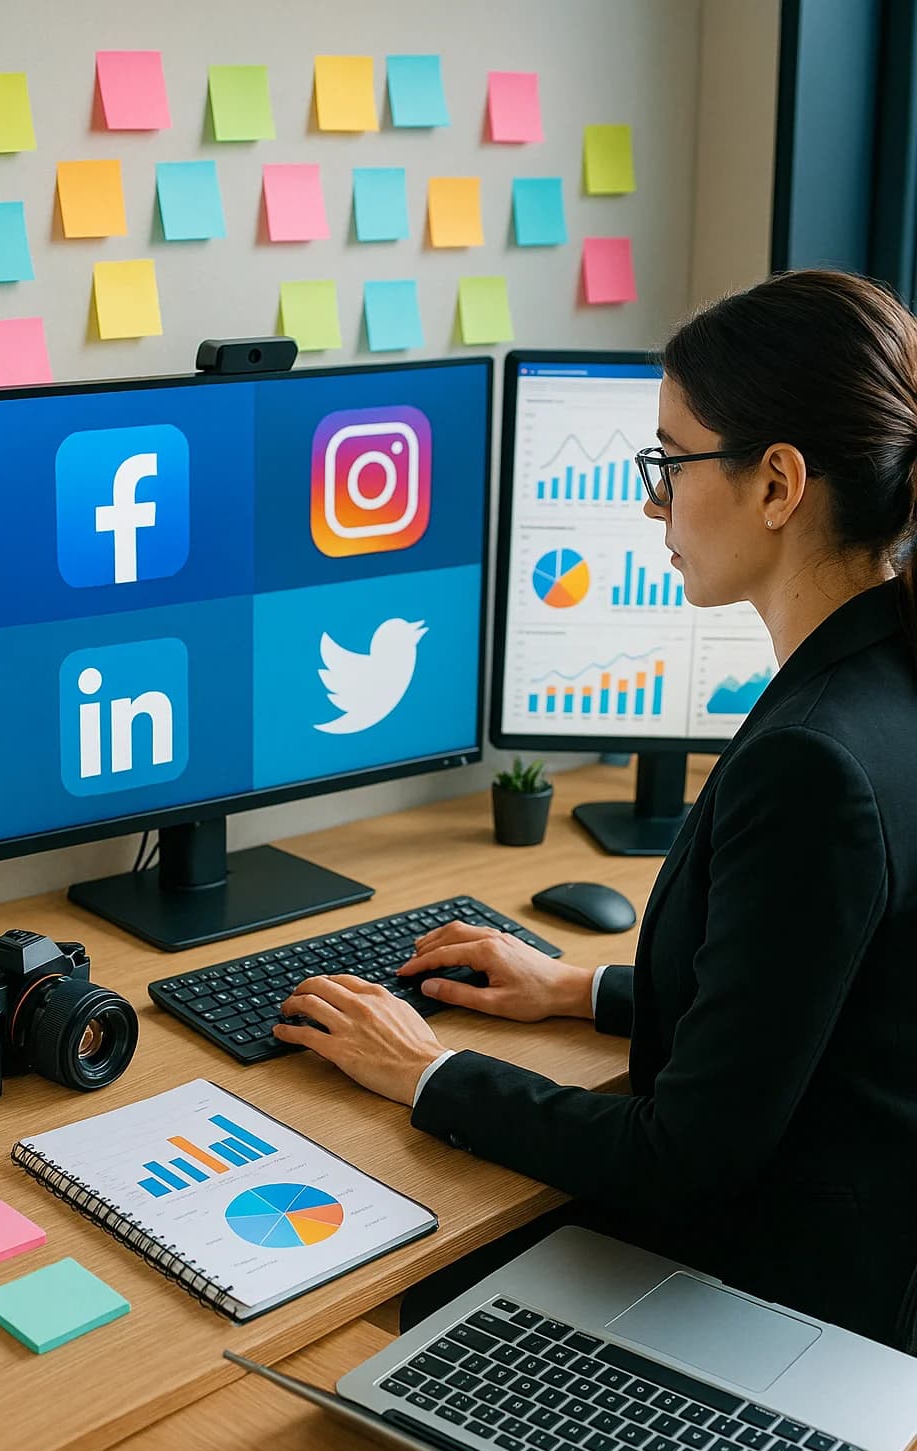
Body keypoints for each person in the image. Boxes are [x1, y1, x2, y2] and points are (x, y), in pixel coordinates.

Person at [275, 269, 917, 1349]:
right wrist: (582, 988)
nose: (649, 501)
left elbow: (682, 1159)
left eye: (669, 462)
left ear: (778, 485)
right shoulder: (882, 678)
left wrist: (422, 1071)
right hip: (848, 1259)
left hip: (773, 1307)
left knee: (349, 1309)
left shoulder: (812, 762)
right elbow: (818, 1007)